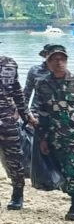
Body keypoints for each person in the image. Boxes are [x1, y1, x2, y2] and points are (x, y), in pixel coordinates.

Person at [32, 45, 74, 221]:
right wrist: (42, 139)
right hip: (54, 136)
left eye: (62, 59)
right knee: (64, 170)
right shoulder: (42, 84)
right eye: (55, 60)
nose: (59, 62)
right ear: (48, 63)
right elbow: (42, 113)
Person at [0, 52, 33, 210]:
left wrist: (26, 116)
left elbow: (17, 92)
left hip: (7, 121)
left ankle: (17, 194)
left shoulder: (9, 64)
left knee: (14, 158)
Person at [23, 44, 53, 109]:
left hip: (58, 113)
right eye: (50, 55)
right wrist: (25, 112)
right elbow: (27, 93)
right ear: (45, 55)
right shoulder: (34, 70)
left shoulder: (62, 72)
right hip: (37, 111)